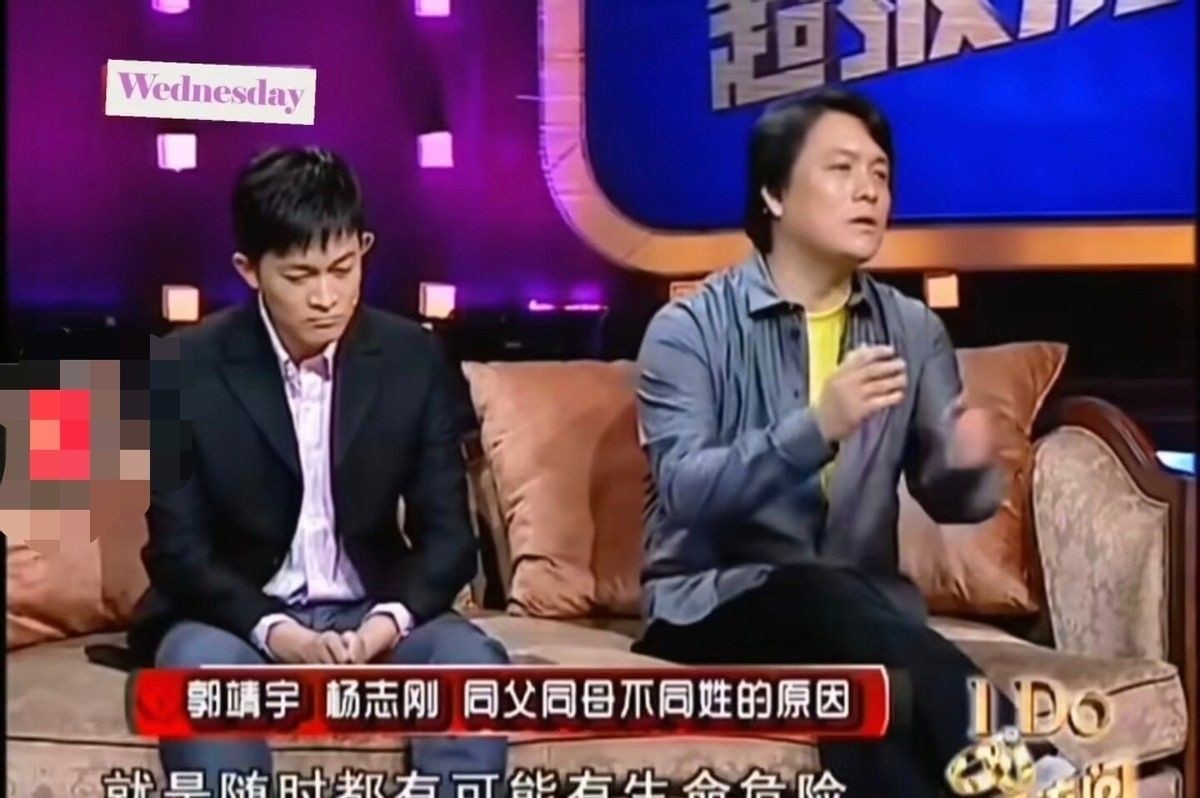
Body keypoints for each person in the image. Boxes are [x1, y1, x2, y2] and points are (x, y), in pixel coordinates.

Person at [633, 89, 1070, 796]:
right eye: (841, 169)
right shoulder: (690, 330)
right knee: (821, 597)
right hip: (710, 604)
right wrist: (817, 427)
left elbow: (950, 498)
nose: (870, 190)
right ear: (774, 194)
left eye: (881, 174)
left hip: (863, 620)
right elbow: (685, 492)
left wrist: (969, 467)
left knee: (873, 706)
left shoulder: (911, 329)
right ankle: (1020, 766)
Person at [129, 147, 508, 796]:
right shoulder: (183, 368)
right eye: (300, 276)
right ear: (249, 270)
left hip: (374, 607)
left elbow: (449, 539)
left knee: (471, 666)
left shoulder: (412, 358)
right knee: (202, 682)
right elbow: (178, 552)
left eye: (343, 268)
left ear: (365, 249)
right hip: (235, 616)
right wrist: (280, 634)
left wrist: (385, 624)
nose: (327, 297)